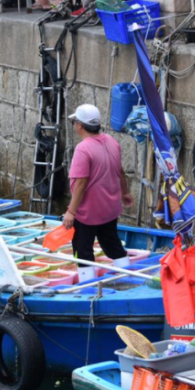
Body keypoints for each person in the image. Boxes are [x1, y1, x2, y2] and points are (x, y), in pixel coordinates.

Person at [63, 104, 131, 283]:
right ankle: (128, 277)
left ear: (79, 125)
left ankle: (87, 285)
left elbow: (81, 183)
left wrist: (71, 211)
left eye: (74, 122)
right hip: (109, 209)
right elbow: (120, 171)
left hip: (88, 212)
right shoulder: (112, 141)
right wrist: (125, 193)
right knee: (112, 243)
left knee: (82, 249)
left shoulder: (83, 149)